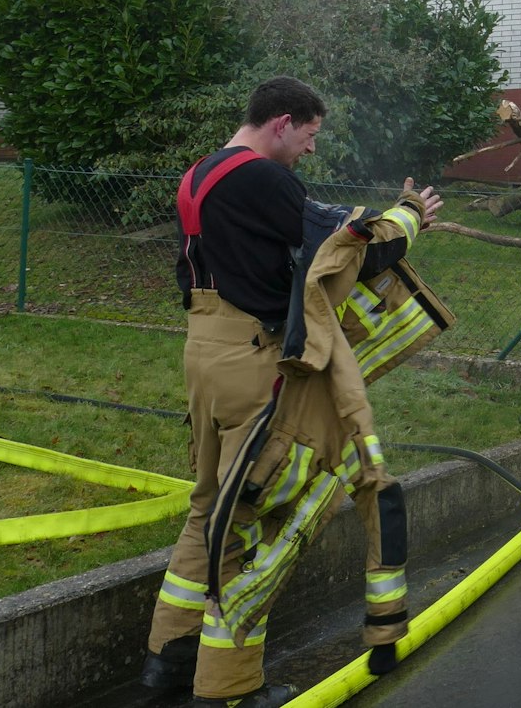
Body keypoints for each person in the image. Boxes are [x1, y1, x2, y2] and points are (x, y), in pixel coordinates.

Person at [139, 76, 443, 708]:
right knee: (253, 518)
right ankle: (227, 688)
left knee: (208, 506)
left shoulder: (199, 174)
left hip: (203, 352)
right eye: (309, 136)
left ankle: (168, 659)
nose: (310, 151)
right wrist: (410, 217)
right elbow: (346, 248)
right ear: (282, 122)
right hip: (253, 360)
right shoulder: (259, 178)